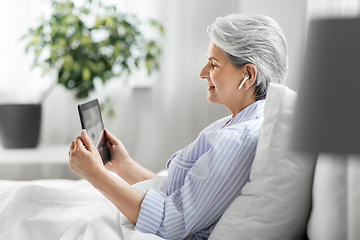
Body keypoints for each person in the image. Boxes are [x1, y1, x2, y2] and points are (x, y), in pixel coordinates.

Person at [69, 13, 288, 240]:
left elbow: (170, 222)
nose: (203, 73)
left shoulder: (237, 140)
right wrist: (123, 166)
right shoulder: (237, 122)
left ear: (248, 75)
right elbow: (181, 195)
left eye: (214, 64)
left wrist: (95, 175)